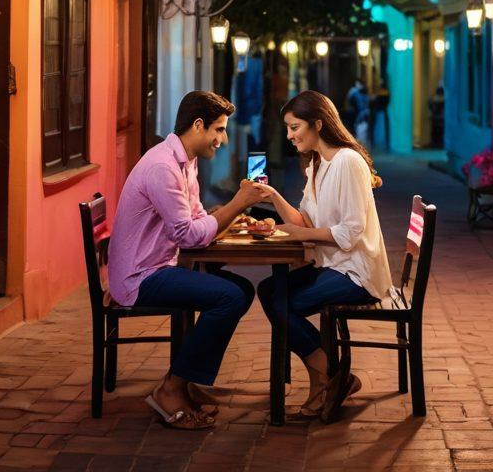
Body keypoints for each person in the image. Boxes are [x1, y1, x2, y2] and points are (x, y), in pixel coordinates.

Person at [108, 90, 266, 430]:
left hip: (160, 266)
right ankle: (172, 389)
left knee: (239, 289)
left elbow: (195, 219)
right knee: (229, 296)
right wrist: (237, 204)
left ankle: (185, 381)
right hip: (141, 277)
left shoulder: (184, 161)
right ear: (198, 125)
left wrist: (229, 217)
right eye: (219, 129)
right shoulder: (163, 167)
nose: (222, 139)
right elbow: (189, 236)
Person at [254, 90, 392, 423]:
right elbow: (304, 219)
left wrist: (301, 236)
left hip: (357, 273)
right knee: (269, 291)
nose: (289, 136)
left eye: (294, 127)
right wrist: (272, 197)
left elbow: (350, 232)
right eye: (287, 128)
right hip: (333, 266)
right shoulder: (317, 163)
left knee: (283, 301)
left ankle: (329, 377)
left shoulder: (348, 161)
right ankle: (331, 377)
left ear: (317, 124)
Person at [344, 77, 370, 145]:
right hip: (356, 114)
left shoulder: (356, 92)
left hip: (358, 114)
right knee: (359, 131)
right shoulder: (355, 92)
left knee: (360, 131)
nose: (358, 85)